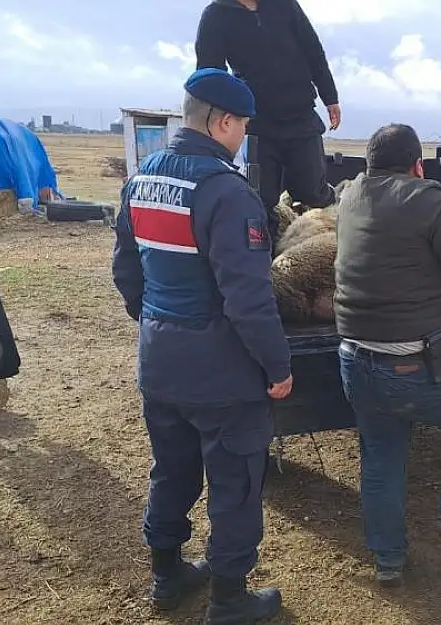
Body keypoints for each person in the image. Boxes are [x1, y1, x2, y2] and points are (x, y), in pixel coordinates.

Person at [111, 67, 293, 624]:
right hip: (221, 374)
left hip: (160, 362)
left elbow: (126, 272)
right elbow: (248, 300)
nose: (242, 138)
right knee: (235, 480)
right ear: (222, 121)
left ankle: (167, 575)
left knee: (171, 468)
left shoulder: (141, 181)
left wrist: (157, 324)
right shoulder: (225, 192)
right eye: (242, 126)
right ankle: (229, 599)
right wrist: (277, 365)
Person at [333, 123, 441, 587]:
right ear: (416, 165)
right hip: (412, 360)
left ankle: (388, 561)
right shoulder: (426, 199)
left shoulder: (348, 196)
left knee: (381, 457)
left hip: (354, 358)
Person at [195, 0, 341, 238]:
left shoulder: (284, 5)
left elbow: (313, 50)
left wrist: (330, 97)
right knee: (260, 200)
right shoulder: (216, 15)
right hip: (255, 122)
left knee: (313, 192)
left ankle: (331, 243)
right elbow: (210, 73)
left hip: (301, 114)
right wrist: (217, 119)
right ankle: (265, 261)